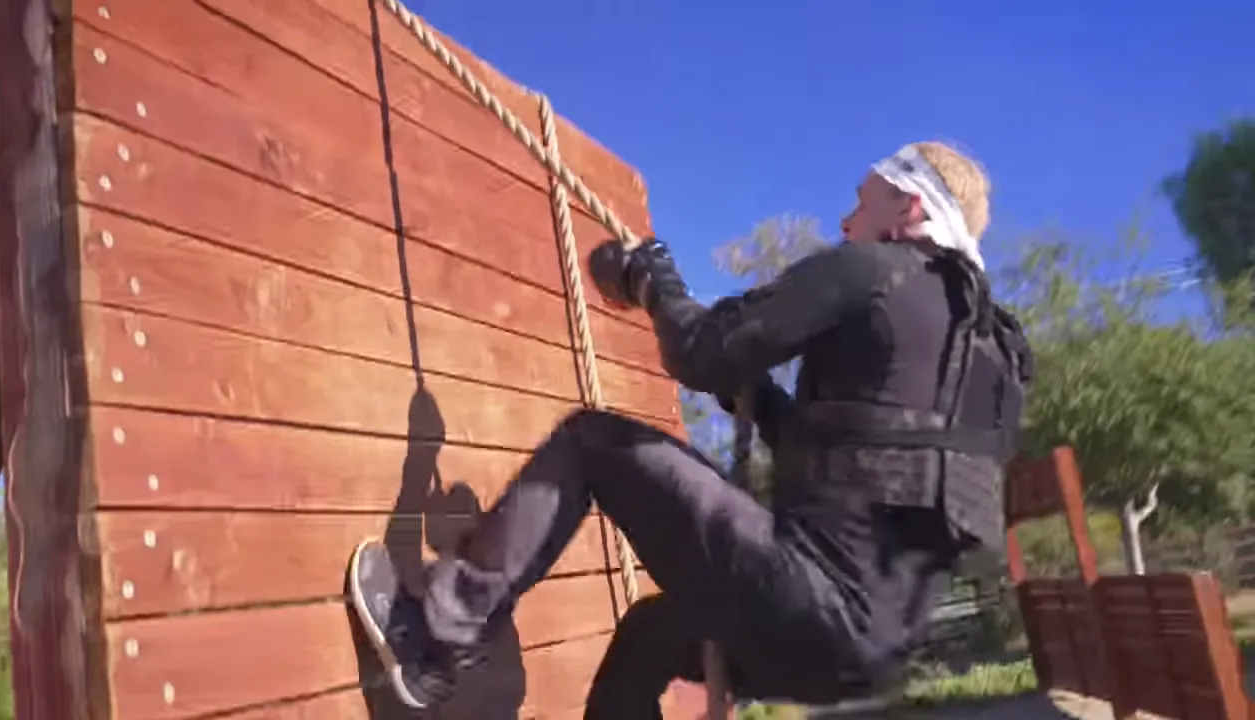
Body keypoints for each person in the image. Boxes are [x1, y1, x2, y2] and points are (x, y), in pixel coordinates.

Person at [348, 141, 1034, 717]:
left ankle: (433, 642)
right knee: (651, 633)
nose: (846, 219)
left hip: (809, 598)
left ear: (909, 207)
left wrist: (654, 281)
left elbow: (700, 349)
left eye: (863, 199)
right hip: (876, 653)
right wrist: (755, 393)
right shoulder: (991, 355)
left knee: (591, 442)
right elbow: (863, 465)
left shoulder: (876, 272)